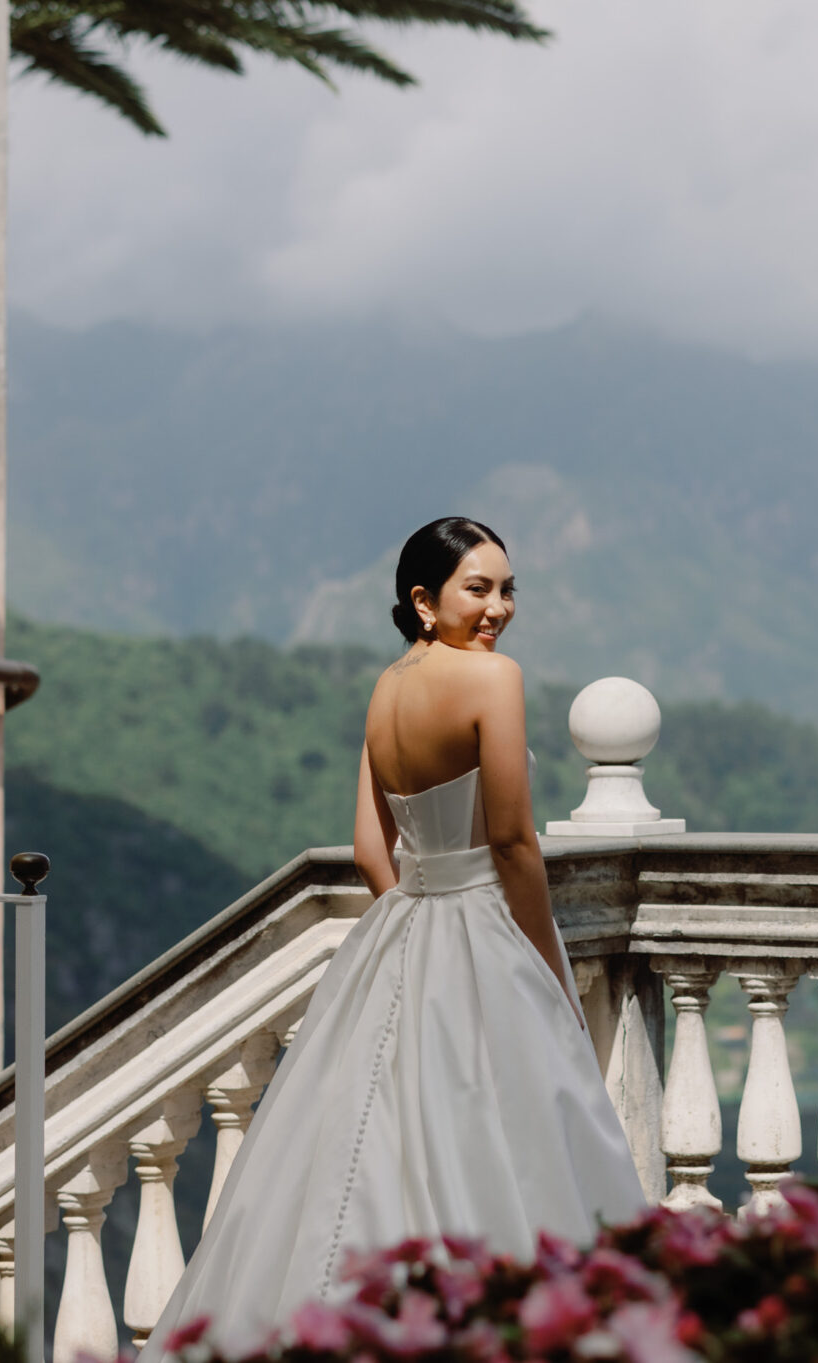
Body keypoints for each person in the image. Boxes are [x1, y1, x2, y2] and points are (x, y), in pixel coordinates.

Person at [144, 517, 646, 1357]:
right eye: (477, 588)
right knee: (511, 1143)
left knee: (365, 1150)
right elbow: (517, 841)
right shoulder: (494, 680)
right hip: (486, 924)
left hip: (404, 927)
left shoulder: (386, 688)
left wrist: (422, 907)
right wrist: (538, 960)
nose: (498, 607)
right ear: (424, 599)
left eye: (508, 588)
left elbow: (376, 849)